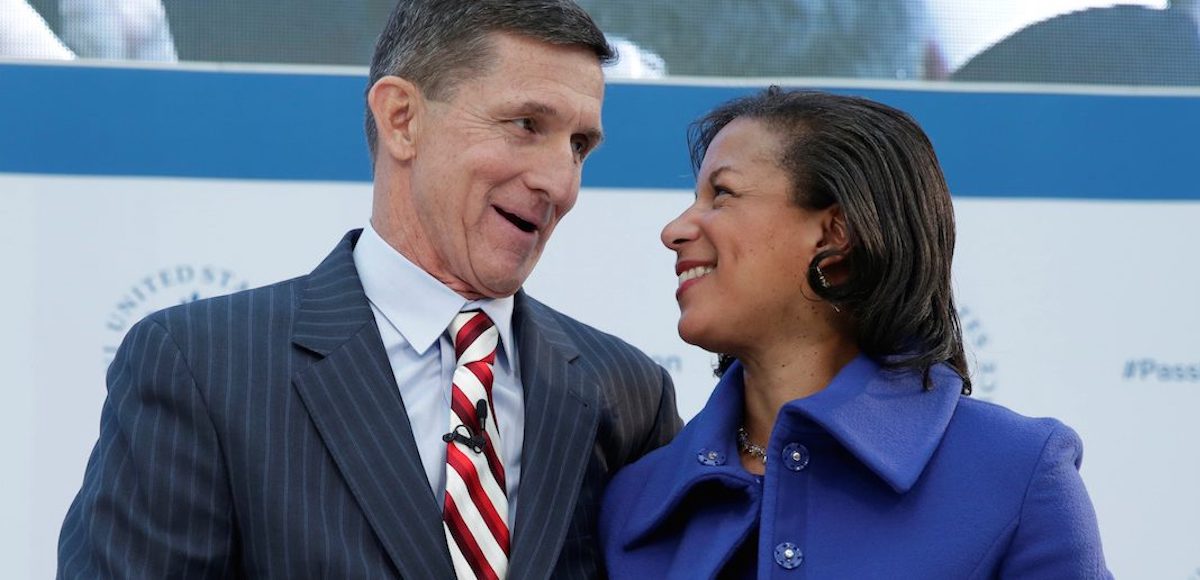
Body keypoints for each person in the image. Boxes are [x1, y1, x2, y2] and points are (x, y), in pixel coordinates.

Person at [57, 1, 681, 578]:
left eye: (579, 146)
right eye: (525, 124)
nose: (560, 183)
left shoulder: (626, 393)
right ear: (402, 119)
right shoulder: (201, 366)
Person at [598, 88, 1111, 578]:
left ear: (835, 234)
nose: (675, 230)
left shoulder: (1017, 471)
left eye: (722, 194)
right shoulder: (632, 501)